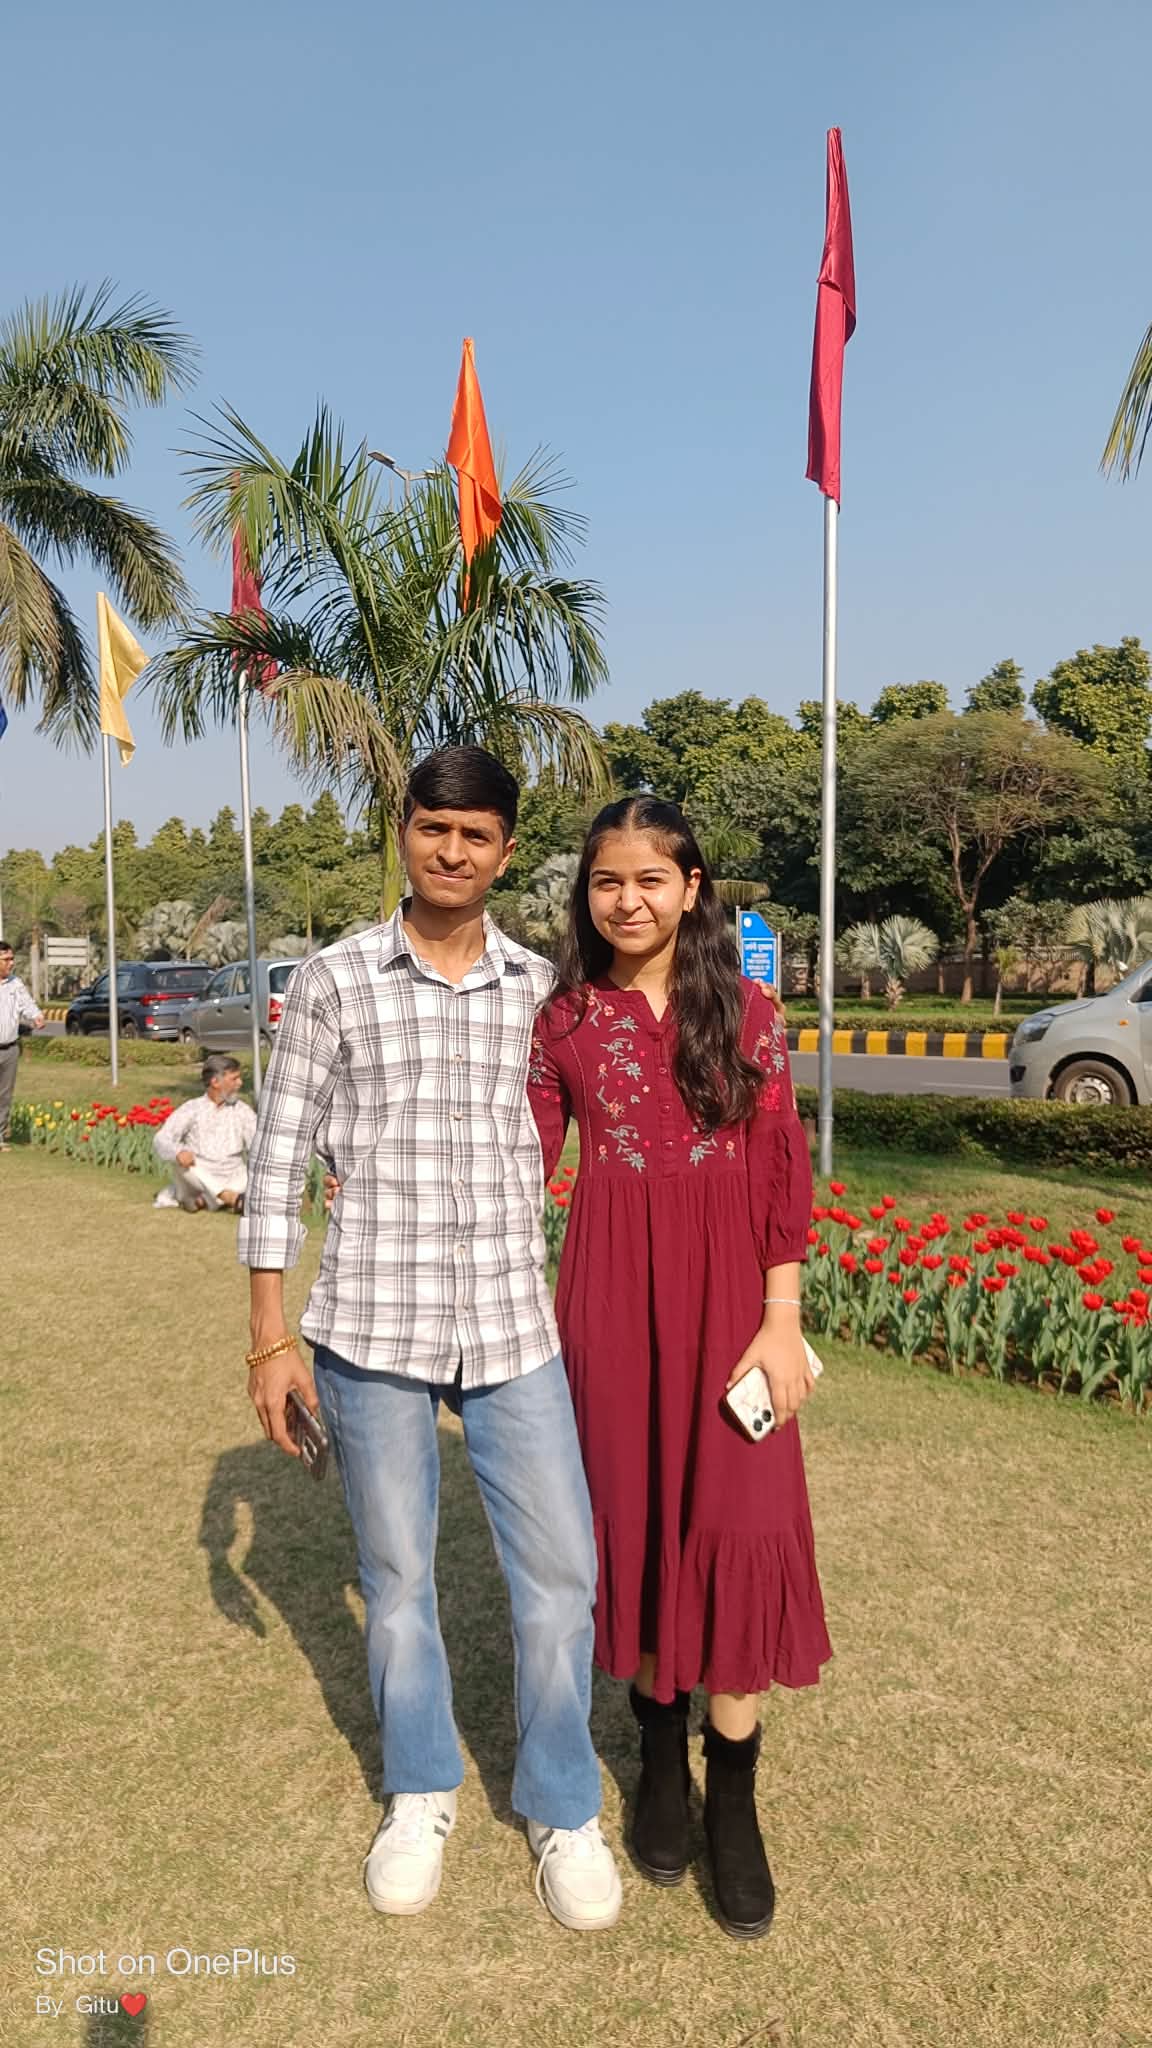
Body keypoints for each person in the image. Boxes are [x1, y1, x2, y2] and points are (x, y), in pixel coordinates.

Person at [238, 746, 622, 1934]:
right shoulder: (334, 979)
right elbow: (278, 1154)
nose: (452, 850)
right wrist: (268, 1336)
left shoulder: (542, 987)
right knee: (396, 1575)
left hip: (511, 1323)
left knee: (561, 1568)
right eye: (433, 827)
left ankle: (562, 1802)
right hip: (371, 1324)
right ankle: (419, 1788)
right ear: (403, 829)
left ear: (506, 849)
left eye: (476, 833)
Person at [526, 795, 831, 1941]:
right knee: (643, 1523)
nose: (629, 899)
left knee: (741, 1528)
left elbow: (780, 1168)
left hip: (734, 1315)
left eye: (652, 878)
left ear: (692, 887)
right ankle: (661, 1756)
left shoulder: (749, 1013)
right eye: (608, 879)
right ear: (587, 891)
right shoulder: (562, 1019)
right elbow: (519, 1157)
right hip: (609, 1306)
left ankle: (733, 1792)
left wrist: (779, 1319)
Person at [153, 1054, 256, 1211]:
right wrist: (178, 1152)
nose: (240, 1083)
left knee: (258, 1173)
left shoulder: (243, 1110)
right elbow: (162, 1138)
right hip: (199, 1175)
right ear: (215, 1082)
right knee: (183, 1166)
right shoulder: (192, 1108)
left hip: (234, 1176)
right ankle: (228, 1198)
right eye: (234, 1079)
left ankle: (204, 1200)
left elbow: (257, 1143)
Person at [0, 940, 44, 1151]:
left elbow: (27, 1004)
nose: (11, 963)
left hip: (10, 1049)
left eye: (12, 959)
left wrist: (36, 1016)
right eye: (6, 959)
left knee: (4, 1096)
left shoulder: (15, 984)